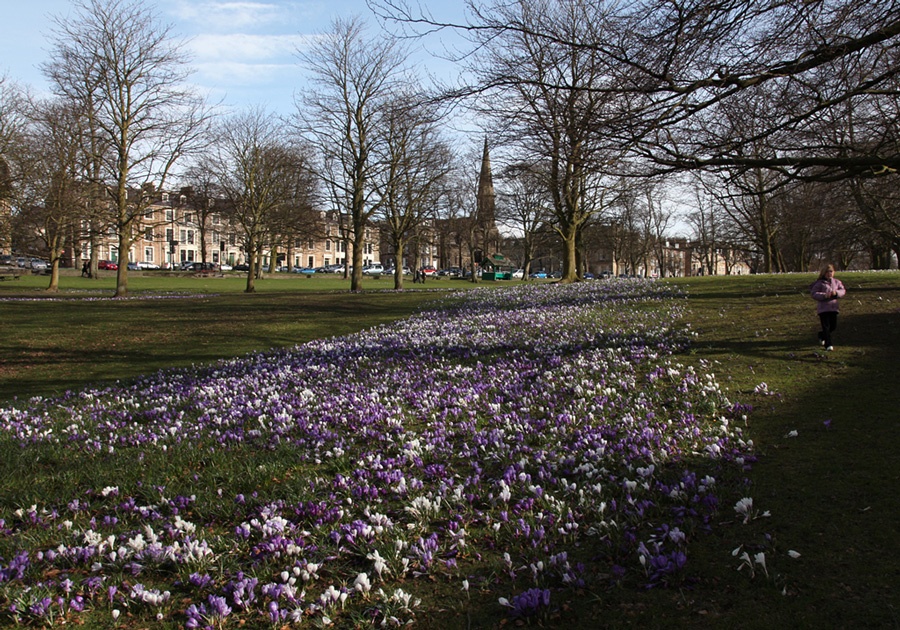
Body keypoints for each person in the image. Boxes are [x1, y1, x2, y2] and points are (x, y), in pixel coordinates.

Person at [810, 263, 846, 351]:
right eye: (827, 272)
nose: (829, 273)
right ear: (823, 273)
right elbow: (814, 293)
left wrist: (836, 293)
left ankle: (822, 335)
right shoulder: (819, 283)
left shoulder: (837, 282)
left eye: (831, 271)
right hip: (823, 309)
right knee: (826, 326)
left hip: (833, 307)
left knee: (833, 326)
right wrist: (824, 295)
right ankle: (828, 344)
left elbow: (842, 290)